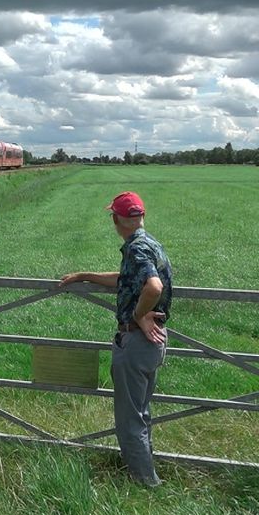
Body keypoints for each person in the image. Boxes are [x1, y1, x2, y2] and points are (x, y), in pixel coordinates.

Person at [59, 191, 172, 487]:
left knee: (129, 419)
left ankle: (145, 483)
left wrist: (138, 315)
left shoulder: (136, 249)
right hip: (153, 342)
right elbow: (126, 280)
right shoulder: (150, 244)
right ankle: (146, 472)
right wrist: (84, 275)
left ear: (115, 220)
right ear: (141, 217)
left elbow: (153, 287)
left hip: (137, 342)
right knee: (141, 412)